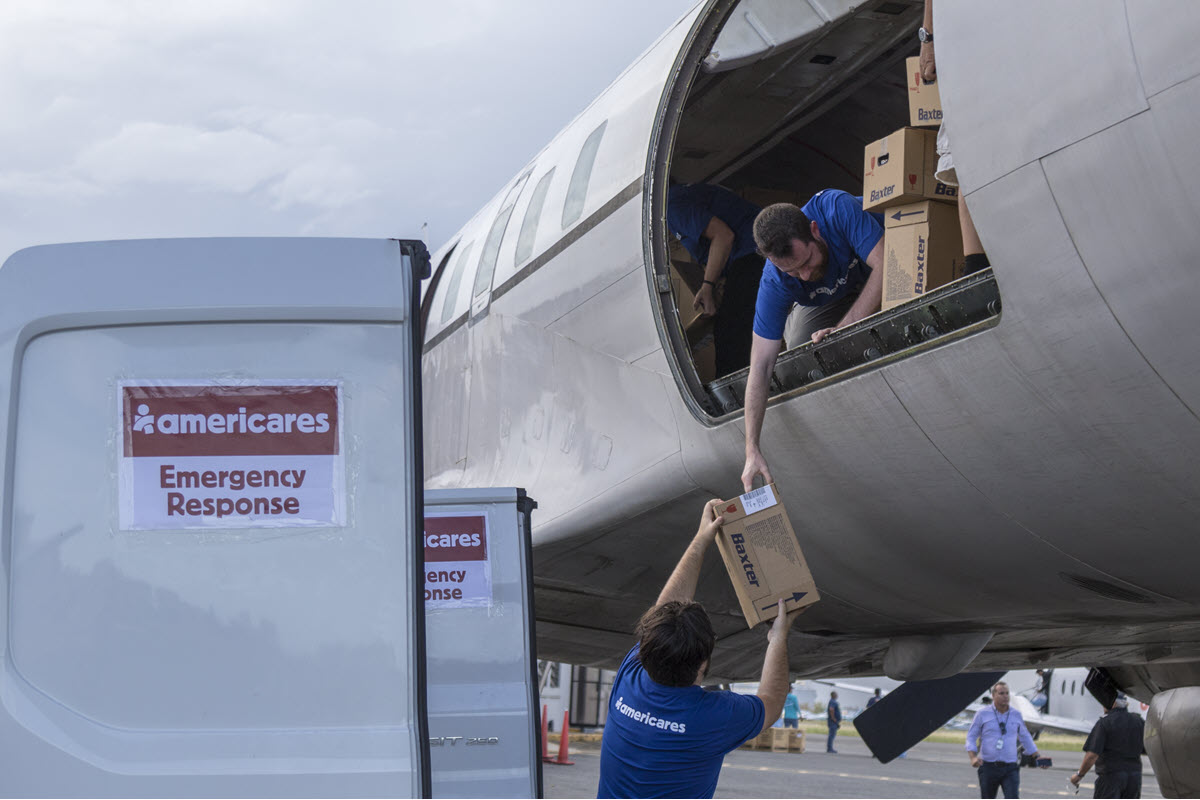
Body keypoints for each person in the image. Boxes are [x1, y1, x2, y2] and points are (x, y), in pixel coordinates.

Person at [597, 499, 801, 799]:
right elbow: (770, 702)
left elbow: (662, 612)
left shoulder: (631, 679)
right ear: (703, 663)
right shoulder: (714, 716)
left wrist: (701, 538)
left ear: (647, 650)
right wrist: (779, 637)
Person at [741, 192, 885, 490]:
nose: (804, 275)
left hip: (879, 262)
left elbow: (889, 264)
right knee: (797, 348)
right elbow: (761, 365)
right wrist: (751, 448)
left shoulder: (836, 209)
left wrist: (844, 327)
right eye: (791, 270)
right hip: (833, 297)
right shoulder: (776, 279)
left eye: (806, 262)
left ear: (815, 231)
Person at [920, 0, 991, 277]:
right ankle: (975, 266)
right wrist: (929, 38)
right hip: (974, 34)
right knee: (970, 155)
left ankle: (976, 266)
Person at [666, 183, 765, 375]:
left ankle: (735, 396)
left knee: (731, 334)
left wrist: (708, 286)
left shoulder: (672, 205)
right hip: (752, 253)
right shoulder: (683, 197)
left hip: (754, 252)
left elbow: (723, 236)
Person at [965, 681, 1049, 798]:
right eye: (1001, 693)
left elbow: (1025, 737)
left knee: (1013, 797)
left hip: (1010, 767)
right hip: (988, 767)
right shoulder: (982, 714)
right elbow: (971, 736)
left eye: (1007, 693)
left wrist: (1037, 757)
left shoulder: (1016, 715)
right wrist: (973, 757)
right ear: (993, 695)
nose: (1005, 696)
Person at [1070, 694, 1145, 798]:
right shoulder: (1138, 721)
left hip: (1111, 776)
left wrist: (1079, 775)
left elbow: (1092, 755)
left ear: (1113, 704)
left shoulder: (1105, 722)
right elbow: (1148, 747)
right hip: (1134, 777)